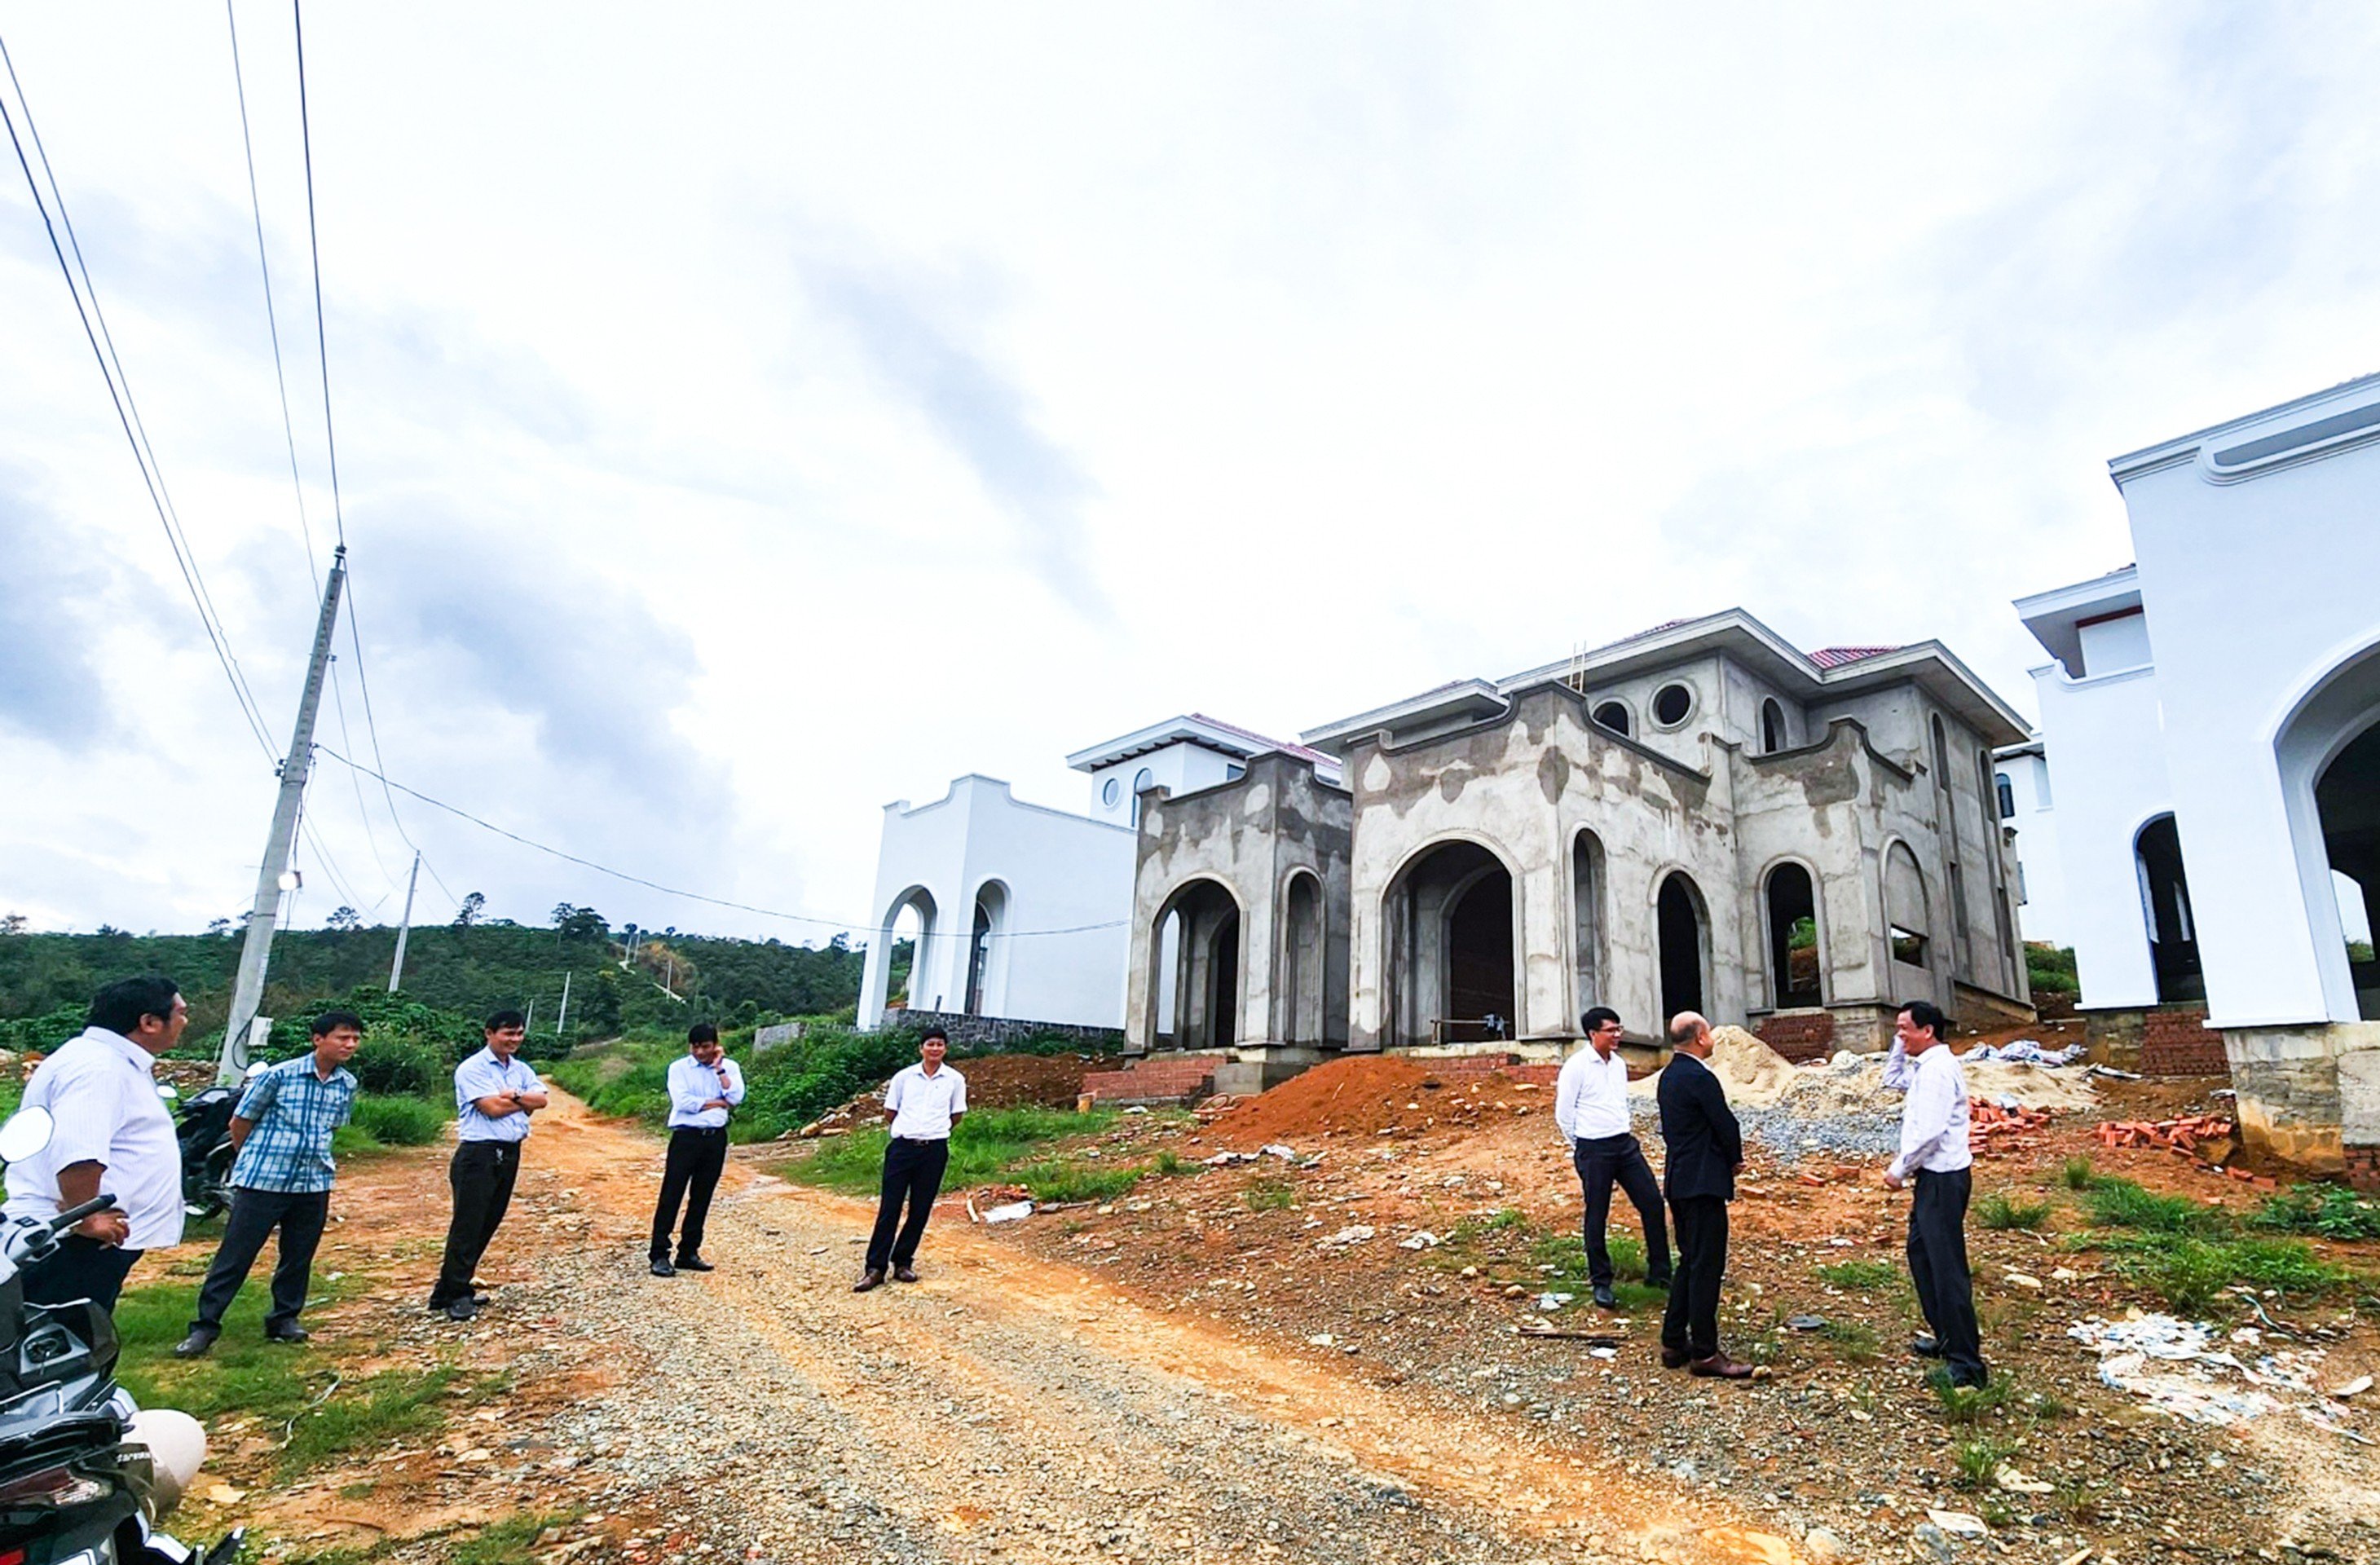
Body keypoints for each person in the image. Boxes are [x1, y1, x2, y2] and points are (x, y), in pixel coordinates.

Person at [174, 1010, 362, 1357]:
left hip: (313, 1182)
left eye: (354, 1038)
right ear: (318, 1039)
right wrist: (254, 1158)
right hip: (264, 1181)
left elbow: (332, 1129)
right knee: (236, 1255)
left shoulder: (346, 1084)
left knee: (298, 1256)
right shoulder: (279, 1076)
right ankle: (205, 1326)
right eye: (342, 1037)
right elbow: (240, 1121)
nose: (350, 1044)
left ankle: (284, 1319)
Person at [2, 973, 187, 1312]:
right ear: (148, 1022)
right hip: (78, 1242)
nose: (184, 1022)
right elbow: (80, 1152)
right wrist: (85, 1217)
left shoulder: (103, 1059)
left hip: (86, 1239)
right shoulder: (100, 1067)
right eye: (180, 1013)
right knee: (64, 1342)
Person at [1884, 999, 1988, 1388]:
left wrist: (1898, 1170)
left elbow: (1929, 1132)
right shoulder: (1926, 1066)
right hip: (1935, 1180)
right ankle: (1947, 1338)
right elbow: (1891, 1079)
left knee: (1947, 1271)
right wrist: (1900, 1041)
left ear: (1928, 1031)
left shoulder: (1937, 1073)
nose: (1900, 1035)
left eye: (1905, 1029)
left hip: (1942, 1180)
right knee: (1921, 1254)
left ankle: (1967, 1364)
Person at [427, 1010, 547, 1321]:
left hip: (509, 1153)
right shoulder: (472, 1069)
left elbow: (542, 1101)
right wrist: (522, 1102)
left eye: (519, 1033)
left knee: (488, 1222)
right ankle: (457, 1293)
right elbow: (492, 1108)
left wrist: (516, 1096)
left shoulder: (520, 1070)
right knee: (468, 1225)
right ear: (489, 1033)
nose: (515, 1040)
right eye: (508, 1033)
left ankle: (447, 1288)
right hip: (478, 1155)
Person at [1655, 1011, 1753, 1379]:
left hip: (1679, 1180)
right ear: (1699, 1038)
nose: (1712, 1039)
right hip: (1704, 1182)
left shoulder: (1668, 1077)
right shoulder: (1700, 1076)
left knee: (1690, 1260)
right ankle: (1706, 1352)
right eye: (1709, 1032)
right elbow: (1725, 1123)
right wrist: (1735, 1159)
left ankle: (1673, 1340)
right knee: (1707, 1266)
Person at [1554, 1006, 1673, 1309]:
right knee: (1597, 1213)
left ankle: (1660, 1273)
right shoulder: (1576, 1066)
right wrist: (1582, 1146)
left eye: (1619, 1029)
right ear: (1593, 1034)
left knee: (1652, 1203)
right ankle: (1601, 1281)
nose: (1618, 1035)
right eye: (1611, 1030)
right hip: (1594, 1149)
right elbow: (1564, 1113)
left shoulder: (1618, 1064)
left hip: (1625, 1145)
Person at [854, 1028, 966, 1293]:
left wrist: (933, 1131)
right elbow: (890, 1112)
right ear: (921, 1048)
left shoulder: (954, 1079)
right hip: (903, 1148)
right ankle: (875, 1268)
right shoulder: (904, 1077)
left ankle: (903, 1261)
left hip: (934, 1150)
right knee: (890, 1207)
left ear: (946, 1049)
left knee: (921, 1208)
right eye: (930, 1044)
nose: (935, 1049)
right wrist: (911, 1130)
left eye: (940, 1044)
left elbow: (956, 1115)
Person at [649, 1022, 744, 1276]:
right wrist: (717, 1102)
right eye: (695, 1047)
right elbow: (684, 1103)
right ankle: (659, 1253)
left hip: (715, 1139)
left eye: (705, 1047)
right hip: (686, 1138)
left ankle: (689, 1251)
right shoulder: (679, 1068)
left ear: (715, 1046)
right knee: (672, 1194)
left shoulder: (729, 1067)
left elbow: (735, 1098)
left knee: (702, 1196)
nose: (700, 1052)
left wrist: (720, 1069)